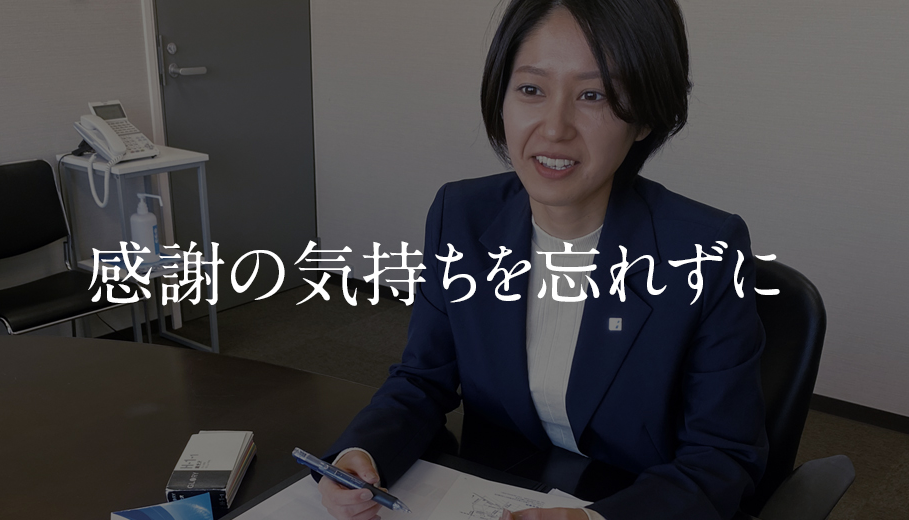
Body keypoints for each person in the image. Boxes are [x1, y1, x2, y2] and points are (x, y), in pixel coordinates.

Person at [317, 1, 768, 519]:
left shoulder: (707, 249)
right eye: (531, 89)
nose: (554, 129)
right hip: (493, 492)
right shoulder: (461, 215)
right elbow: (422, 380)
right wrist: (360, 454)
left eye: (594, 95)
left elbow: (722, 457)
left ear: (644, 116)